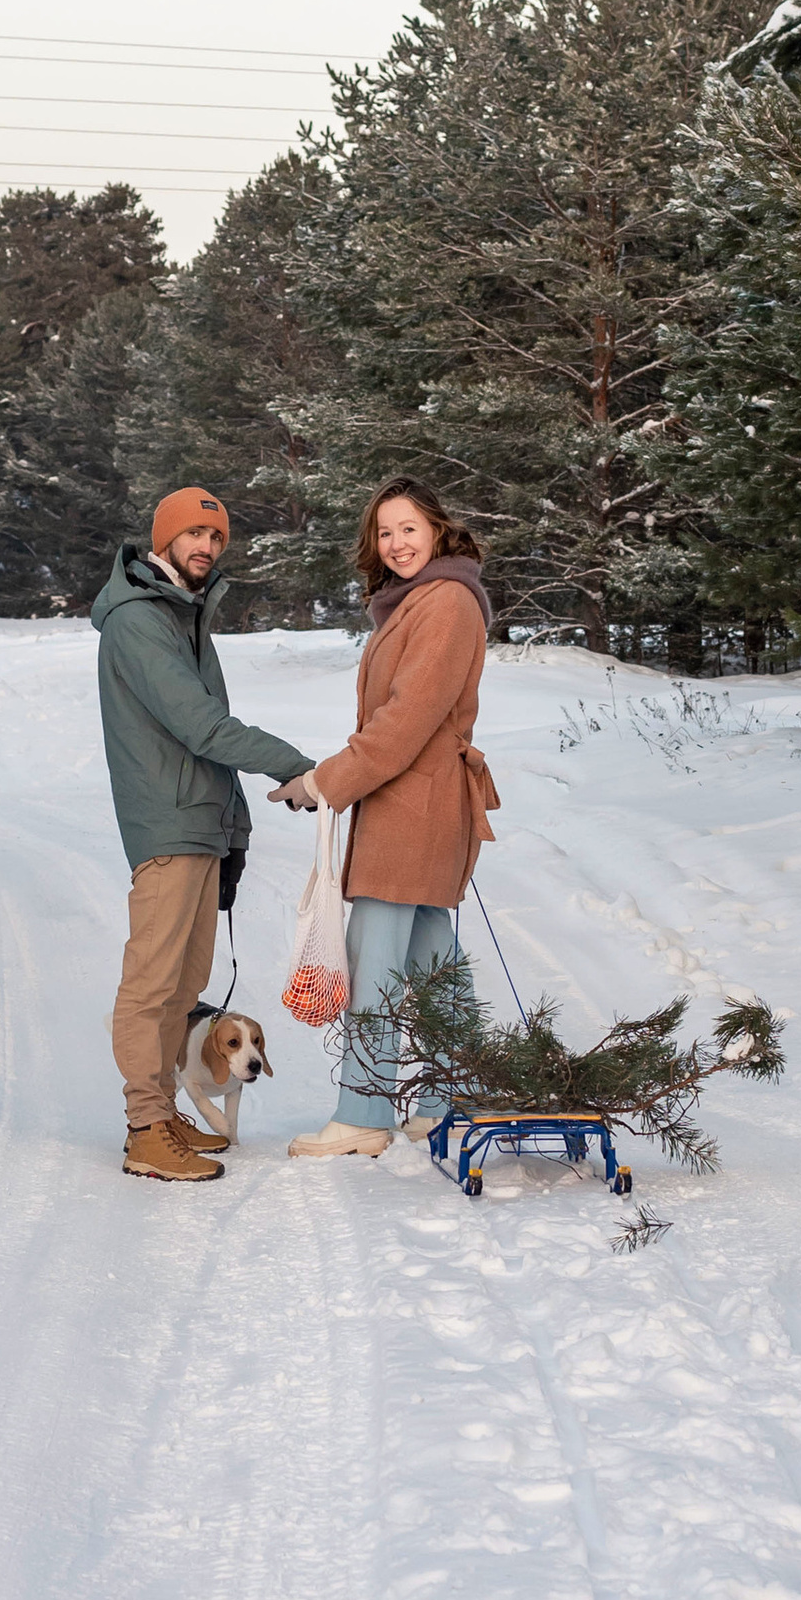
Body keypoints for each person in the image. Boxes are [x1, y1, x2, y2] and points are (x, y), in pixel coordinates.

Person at [93, 486, 318, 1184]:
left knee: (187, 984)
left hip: (198, 823)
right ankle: (143, 1128)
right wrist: (299, 767)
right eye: (193, 534)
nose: (206, 547)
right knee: (153, 984)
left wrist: (234, 827)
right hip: (167, 822)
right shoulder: (139, 622)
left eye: (216, 538)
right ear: (163, 540)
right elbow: (200, 726)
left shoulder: (180, 615)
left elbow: (201, 734)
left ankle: (163, 1112)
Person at [289, 476, 498, 1159]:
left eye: (409, 528)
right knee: (429, 956)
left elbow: (405, 720)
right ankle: (453, 1095)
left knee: (373, 960)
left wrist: (329, 781)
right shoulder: (420, 602)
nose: (397, 543)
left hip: (418, 804)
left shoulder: (446, 603)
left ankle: (362, 1113)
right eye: (385, 532)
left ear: (438, 529)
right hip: (414, 802)